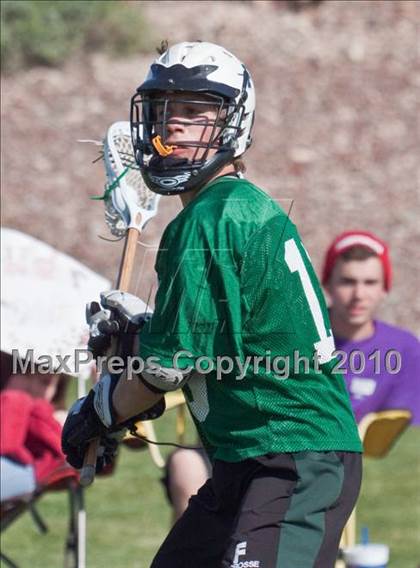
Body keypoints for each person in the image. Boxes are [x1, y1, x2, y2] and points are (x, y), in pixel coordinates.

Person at [62, 41, 362, 567]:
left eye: (195, 111)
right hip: (246, 459)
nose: (174, 124)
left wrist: (98, 409)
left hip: (291, 455)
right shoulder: (236, 207)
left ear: (232, 123)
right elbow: (220, 337)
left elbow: (165, 371)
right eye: (166, 111)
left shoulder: (209, 218)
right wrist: (145, 332)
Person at [322, 230, 420, 425]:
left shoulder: (405, 350)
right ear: (327, 284)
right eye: (347, 282)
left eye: (370, 282)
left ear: (384, 289)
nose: (358, 294)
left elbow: (404, 431)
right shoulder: (297, 340)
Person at [0, 351, 66, 501]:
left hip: (23, 467)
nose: (32, 386)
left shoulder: (55, 419)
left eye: (45, 382)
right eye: (25, 375)